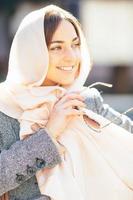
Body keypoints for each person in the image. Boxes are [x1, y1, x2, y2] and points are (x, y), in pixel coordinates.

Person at [0, 4, 133, 200]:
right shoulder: (5, 108)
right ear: (32, 52)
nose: (71, 56)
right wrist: (49, 133)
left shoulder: (84, 100)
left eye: (75, 44)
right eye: (57, 47)